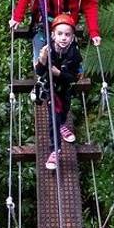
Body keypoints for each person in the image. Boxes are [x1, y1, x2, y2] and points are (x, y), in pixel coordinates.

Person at [34, 13, 81, 170]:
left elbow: (74, 77)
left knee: (64, 111)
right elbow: (40, 72)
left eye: (67, 35)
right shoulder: (47, 50)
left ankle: (61, 125)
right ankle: (55, 150)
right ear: (53, 35)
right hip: (51, 91)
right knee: (53, 117)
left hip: (65, 90)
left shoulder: (74, 54)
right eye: (60, 34)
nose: (63, 38)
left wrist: (59, 73)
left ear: (72, 37)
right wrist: (42, 60)